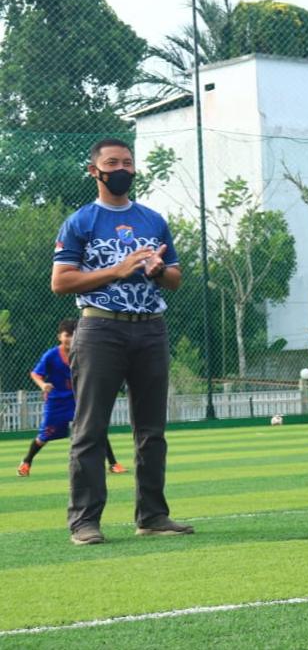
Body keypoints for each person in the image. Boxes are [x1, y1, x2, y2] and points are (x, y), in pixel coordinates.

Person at [51, 138, 191, 545]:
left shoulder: (153, 219)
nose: (122, 168)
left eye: (128, 162)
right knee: (90, 428)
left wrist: (157, 269)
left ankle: (153, 515)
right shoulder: (80, 221)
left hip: (150, 326)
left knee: (152, 430)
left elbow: (176, 279)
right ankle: (84, 522)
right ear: (95, 171)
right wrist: (118, 268)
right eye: (113, 162)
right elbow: (61, 281)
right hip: (100, 329)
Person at [17, 319, 128, 477]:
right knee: (44, 436)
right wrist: (42, 385)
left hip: (79, 399)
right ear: (59, 337)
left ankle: (113, 464)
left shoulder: (84, 352)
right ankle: (27, 462)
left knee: (96, 428)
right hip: (57, 402)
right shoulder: (51, 355)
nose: (71, 338)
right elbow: (35, 373)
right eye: (67, 335)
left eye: (74, 335)